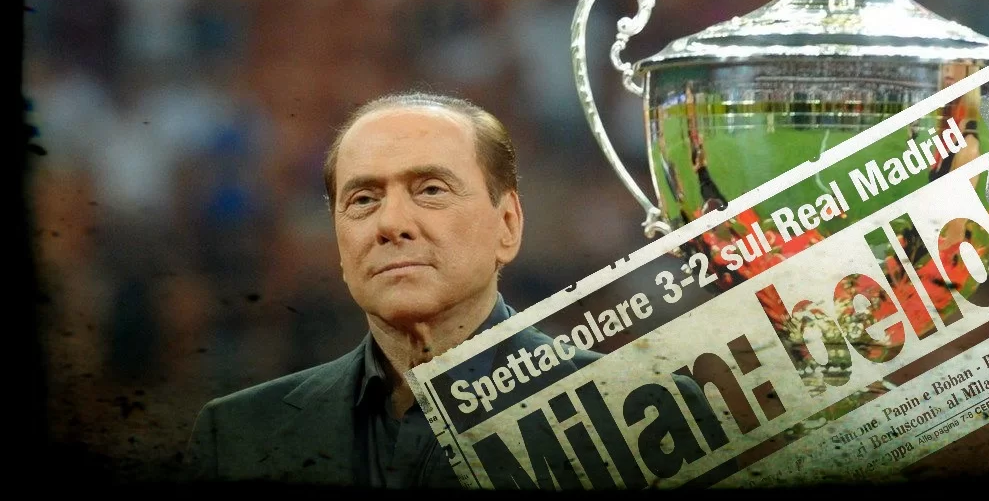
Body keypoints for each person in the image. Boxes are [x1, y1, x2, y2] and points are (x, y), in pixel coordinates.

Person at [186, 91, 724, 489]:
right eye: (364, 199)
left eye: (430, 189)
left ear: (507, 225)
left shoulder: (646, 415)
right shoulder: (237, 436)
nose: (391, 223)